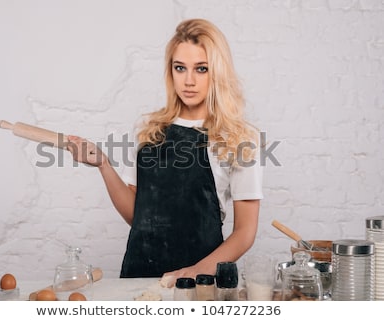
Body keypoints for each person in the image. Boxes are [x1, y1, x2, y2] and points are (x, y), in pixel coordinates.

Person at [67, 18, 263, 283]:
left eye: (201, 69)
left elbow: (245, 232)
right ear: (170, 71)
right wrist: (103, 164)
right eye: (180, 68)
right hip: (138, 278)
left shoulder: (238, 139)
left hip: (200, 283)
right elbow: (138, 217)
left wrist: (196, 272)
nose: (189, 80)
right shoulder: (149, 129)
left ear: (217, 71)